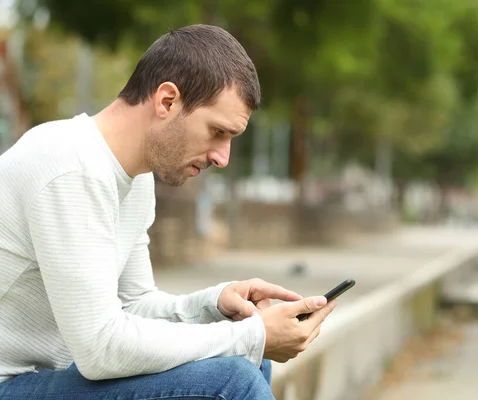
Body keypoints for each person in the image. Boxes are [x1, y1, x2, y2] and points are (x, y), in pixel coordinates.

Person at [0, 24, 337, 399]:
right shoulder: (70, 167)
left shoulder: (135, 178)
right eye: (217, 132)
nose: (222, 158)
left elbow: (133, 304)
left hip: (43, 378)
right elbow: (100, 348)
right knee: (233, 378)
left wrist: (213, 306)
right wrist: (251, 336)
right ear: (167, 101)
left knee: (250, 356)